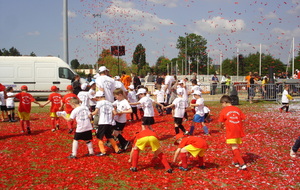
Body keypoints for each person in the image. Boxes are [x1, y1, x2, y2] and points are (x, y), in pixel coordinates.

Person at [218, 95, 247, 170]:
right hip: (238, 129)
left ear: (225, 102)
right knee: (235, 145)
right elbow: (243, 119)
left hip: (231, 130)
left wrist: (222, 126)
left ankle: (242, 163)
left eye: (222, 104)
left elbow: (220, 122)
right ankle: (235, 161)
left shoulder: (224, 110)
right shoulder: (237, 109)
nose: (222, 105)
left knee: (234, 146)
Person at [91, 91, 121, 156]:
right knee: (109, 136)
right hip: (109, 122)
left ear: (99, 97)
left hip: (102, 122)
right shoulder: (110, 103)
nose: (97, 99)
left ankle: (103, 151)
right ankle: (117, 150)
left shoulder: (99, 103)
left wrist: (89, 114)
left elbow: (95, 112)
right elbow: (115, 113)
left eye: (97, 98)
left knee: (99, 137)